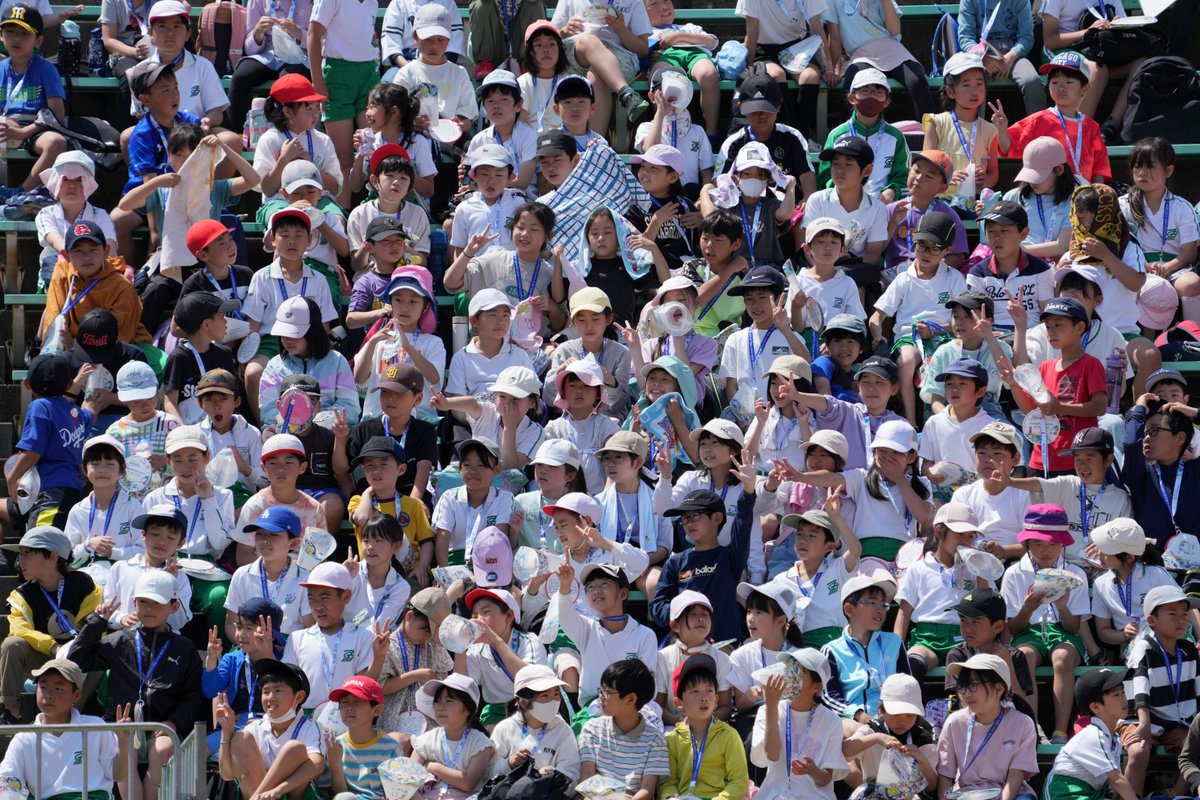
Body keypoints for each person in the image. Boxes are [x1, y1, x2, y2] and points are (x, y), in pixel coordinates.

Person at [72, 571, 205, 800]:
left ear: (173, 607)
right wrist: (97, 622)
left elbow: (192, 696)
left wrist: (173, 722)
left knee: (162, 749)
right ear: (134, 603)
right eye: (143, 601)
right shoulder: (120, 640)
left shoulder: (184, 647)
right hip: (124, 726)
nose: (149, 609)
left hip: (162, 726)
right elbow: (77, 659)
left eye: (157, 603)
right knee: (127, 751)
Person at [1001, 504, 1089, 745]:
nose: (1046, 550)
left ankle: (1060, 731)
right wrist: (1028, 608)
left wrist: (1062, 606)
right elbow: (1015, 628)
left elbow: (1073, 627)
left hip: (1062, 633)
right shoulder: (1015, 573)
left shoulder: (1075, 573)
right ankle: (1033, 727)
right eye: (1038, 543)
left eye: (1052, 543)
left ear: (1062, 544)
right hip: (1029, 632)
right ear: (1027, 543)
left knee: (1062, 657)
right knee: (1023, 656)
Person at [0, 527, 101, 723]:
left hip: (80, 655)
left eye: (27, 553)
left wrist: (74, 648)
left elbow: (95, 623)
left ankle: (72, 714)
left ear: (53, 556)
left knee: (99, 652)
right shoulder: (22, 594)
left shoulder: (85, 584)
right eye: (20, 555)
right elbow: (19, 630)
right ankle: (10, 712)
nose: (20, 561)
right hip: (44, 656)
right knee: (11, 645)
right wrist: (54, 647)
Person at [1003, 296, 1107, 477]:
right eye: (1048, 327)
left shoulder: (1090, 364)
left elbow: (1100, 406)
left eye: (1058, 325)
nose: (1052, 331)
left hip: (1074, 460)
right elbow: (1031, 410)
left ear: (1080, 327)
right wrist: (1013, 385)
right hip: (1041, 460)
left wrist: (1060, 407)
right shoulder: (1044, 367)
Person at [651, 469, 758, 643]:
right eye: (684, 519)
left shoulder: (730, 556)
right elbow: (657, 607)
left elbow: (743, 523)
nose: (688, 523)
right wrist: (684, 612)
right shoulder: (674, 563)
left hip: (725, 647)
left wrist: (748, 489)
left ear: (716, 518)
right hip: (686, 647)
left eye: (694, 516)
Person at [0, 659, 130, 799]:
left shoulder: (95, 726)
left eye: (58, 688)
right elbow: (7, 783)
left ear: (77, 694)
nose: (48, 694)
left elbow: (118, 775)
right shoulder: (24, 738)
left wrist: (123, 742)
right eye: (43, 687)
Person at [5, 354, 93, 532]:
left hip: (50, 492)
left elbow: (33, 451)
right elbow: (90, 414)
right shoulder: (78, 413)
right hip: (71, 489)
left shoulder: (39, 406)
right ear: (68, 385)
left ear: (27, 384)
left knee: (40, 545)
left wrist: (13, 478)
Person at [216, 658, 326, 800]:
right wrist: (227, 731)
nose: (270, 697)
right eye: (266, 691)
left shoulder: (310, 727)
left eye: (278, 690)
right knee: (239, 738)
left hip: (294, 796)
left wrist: (279, 790)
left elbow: (317, 765)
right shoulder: (255, 728)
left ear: (299, 696)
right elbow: (226, 774)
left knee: (294, 748)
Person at [1127, 585, 1200, 795]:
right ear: (1152, 621)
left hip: (1177, 722)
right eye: (1172, 614)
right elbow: (1139, 689)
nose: (1181, 620)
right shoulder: (1144, 647)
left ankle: (1176, 794)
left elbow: (1198, 690)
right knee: (1138, 751)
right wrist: (1144, 724)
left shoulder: (1188, 649)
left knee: (1195, 747)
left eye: (1184, 614)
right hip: (1140, 718)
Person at [307, 0, 381, 206]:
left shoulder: (373, 2)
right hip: (337, 73)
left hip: (368, 73)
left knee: (374, 148)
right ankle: (343, 216)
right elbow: (313, 34)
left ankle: (378, 210)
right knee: (343, 157)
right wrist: (317, 82)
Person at [936, 654, 1039, 800]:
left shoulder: (1022, 723)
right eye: (962, 687)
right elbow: (945, 775)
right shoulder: (954, 722)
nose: (966, 694)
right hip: (966, 794)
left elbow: (1015, 775)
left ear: (999, 689)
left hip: (1010, 793)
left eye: (973, 686)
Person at [751, 648, 848, 800]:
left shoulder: (831, 720)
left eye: (798, 672)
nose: (789, 677)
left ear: (816, 687)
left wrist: (812, 770)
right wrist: (771, 706)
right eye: (789, 669)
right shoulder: (767, 709)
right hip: (776, 795)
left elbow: (826, 778)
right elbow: (772, 755)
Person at [1003, 52, 1111, 184]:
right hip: (1048, 197)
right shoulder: (1038, 121)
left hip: (1083, 197)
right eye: (1054, 82)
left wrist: (1096, 192)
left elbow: (1100, 167)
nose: (1061, 88)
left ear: (1086, 88)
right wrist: (1001, 128)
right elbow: (1006, 148)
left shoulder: (1092, 127)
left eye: (1069, 82)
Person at [282, 562, 378, 709]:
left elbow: (364, 685)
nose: (318, 606)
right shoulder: (296, 639)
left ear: (346, 597)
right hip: (305, 721)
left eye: (325, 597)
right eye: (311, 598)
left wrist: (380, 657)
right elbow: (287, 685)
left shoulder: (362, 637)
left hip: (346, 719)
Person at [659, 652, 750, 800]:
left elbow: (739, 782)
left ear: (716, 699)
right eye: (695, 691)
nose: (704, 697)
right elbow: (667, 782)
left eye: (709, 690)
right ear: (679, 702)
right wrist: (670, 797)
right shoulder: (672, 739)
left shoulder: (728, 735)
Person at [0, 5, 68, 199]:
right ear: (1, 36)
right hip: (6, 128)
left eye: (24, 33)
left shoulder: (46, 69)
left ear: (38, 41)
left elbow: (57, 115)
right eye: (10, 32)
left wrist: (22, 132)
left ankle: (21, 192)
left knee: (56, 142)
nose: (16, 38)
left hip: (36, 130)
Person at [577, 659, 670, 798]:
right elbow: (587, 777)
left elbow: (647, 790)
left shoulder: (655, 740)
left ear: (631, 699)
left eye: (607, 692)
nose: (601, 697)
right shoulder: (591, 730)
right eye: (601, 690)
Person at [815, 68, 910, 202]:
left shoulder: (896, 136)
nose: (872, 96)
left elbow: (902, 176)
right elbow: (825, 178)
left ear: (887, 101)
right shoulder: (838, 135)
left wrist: (892, 191)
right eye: (865, 90)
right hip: (843, 204)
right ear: (852, 98)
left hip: (884, 207)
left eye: (878, 92)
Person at [1044, 669, 1139, 800]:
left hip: (1090, 792)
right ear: (1096, 707)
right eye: (1116, 695)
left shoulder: (1113, 738)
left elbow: (1113, 785)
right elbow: (1117, 779)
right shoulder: (1093, 734)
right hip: (1064, 791)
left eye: (1123, 692)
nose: (1124, 699)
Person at [489, 664, 581, 783]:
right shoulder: (505, 728)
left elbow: (572, 773)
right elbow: (487, 772)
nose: (553, 701)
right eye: (545, 695)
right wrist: (508, 764)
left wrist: (552, 776)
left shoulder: (563, 731)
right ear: (523, 703)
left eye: (556, 694)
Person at [411, 674, 495, 799]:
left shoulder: (480, 743)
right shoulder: (426, 739)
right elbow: (405, 778)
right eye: (437, 701)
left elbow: (467, 783)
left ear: (468, 709)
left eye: (448, 701)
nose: (440, 707)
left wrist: (434, 767)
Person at [955, 0, 1045, 115]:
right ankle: (973, 130)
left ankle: (1038, 129)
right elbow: (965, 38)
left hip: (1013, 54)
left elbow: (1026, 37)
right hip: (980, 55)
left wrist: (1010, 57)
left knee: (1032, 81)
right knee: (973, 83)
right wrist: (983, 58)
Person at [327, 676, 409, 800]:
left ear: (377, 710)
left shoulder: (391, 747)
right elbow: (336, 794)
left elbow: (398, 792)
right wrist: (335, 765)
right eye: (344, 702)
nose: (349, 707)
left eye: (357, 702)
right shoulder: (335, 746)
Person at [163, 292, 239, 425]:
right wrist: (183, 432)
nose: (226, 322)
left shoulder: (224, 355)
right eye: (222, 316)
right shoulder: (179, 358)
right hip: (187, 431)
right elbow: (170, 402)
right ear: (206, 325)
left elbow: (231, 397)